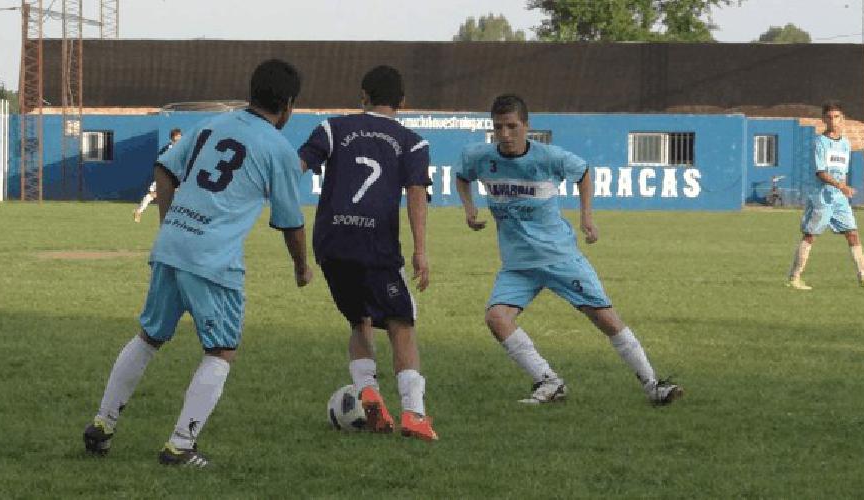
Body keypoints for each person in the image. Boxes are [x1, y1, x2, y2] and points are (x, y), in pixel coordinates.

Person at [83, 59, 312, 467]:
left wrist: (170, 220)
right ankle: (180, 445)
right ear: (289, 104)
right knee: (221, 350)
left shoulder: (211, 125)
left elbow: (164, 168)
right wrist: (301, 267)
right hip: (212, 258)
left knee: (148, 337)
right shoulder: (279, 149)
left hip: (172, 245)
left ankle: (103, 423)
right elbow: (291, 223)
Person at [455, 94, 682, 406]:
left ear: (526, 126)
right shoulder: (479, 156)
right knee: (497, 318)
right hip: (518, 264)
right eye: (498, 128)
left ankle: (653, 385)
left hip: (559, 257)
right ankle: (548, 382)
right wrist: (469, 208)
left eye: (511, 126)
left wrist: (586, 216)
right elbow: (462, 176)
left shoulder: (549, 157)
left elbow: (584, 173)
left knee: (606, 319)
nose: (505, 135)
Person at [297, 65, 438, 441]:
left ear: (363, 96)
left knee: (358, 320)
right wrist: (421, 250)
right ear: (402, 102)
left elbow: (297, 165)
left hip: (331, 243)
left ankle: (368, 391)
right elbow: (416, 194)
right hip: (376, 245)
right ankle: (414, 414)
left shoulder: (333, 128)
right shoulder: (412, 142)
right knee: (401, 325)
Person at [786, 101, 864, 290]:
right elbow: (821, 172)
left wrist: (842, 188)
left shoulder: (845, 144)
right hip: (822, 196)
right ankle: (794, 277)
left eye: (837, 117)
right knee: (810, 235)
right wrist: (841, 186)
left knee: (853, 234)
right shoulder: (820, 142)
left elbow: (841, 170)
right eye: (829, 117)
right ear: (824, 119)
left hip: (839, 198)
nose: (833, 121)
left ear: (843, 119)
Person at [134, 128, 183, 223]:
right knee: (153, 194)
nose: (179, 142)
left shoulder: (181, 150)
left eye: (180, 139)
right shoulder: (166, 150)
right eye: (177, 140)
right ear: (171, 140)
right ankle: (138, 211)